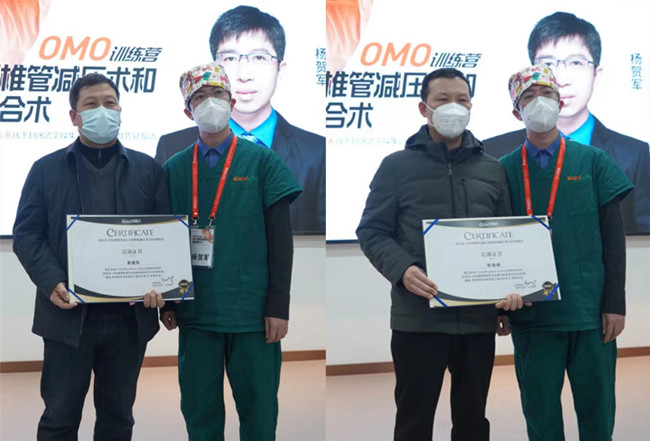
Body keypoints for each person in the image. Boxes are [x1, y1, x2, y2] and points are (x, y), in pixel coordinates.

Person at [356, 67, 525, 441]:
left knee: (473, 420)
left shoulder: (492, 168)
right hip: (418, 320)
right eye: (442, 99)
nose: (453, 107)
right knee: (414, 421)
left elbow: (505, 239)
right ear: (424, 108)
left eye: (462, 99)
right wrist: (402, 269)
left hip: (477, 321)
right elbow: (371, 230)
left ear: (471, 106)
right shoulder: (396, 167)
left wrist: (504, 305)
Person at [12, 72, 170, 440]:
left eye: (110, 103)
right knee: (59, 417)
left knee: (118, 418)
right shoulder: (45, 169)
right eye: (91, 104)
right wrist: (51, 281)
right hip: (68, 316)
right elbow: (27, 234)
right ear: (74, 116)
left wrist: (162, 286)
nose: (103, 110)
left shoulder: (148, 169)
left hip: (129, 319)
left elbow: (163, 236)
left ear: (121, 111)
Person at [160, 62, 302, 441]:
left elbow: (281, 242)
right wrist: (169, 302)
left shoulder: (262, 161)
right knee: (199, 410)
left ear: (232, 101)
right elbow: (164, 239)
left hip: (252, 315)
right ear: (188, 111)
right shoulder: (174, 169)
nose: (211, 102)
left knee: (259, 410)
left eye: (218, 94)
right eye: (200, 97)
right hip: (197, 313)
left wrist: (278, 306)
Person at [499, 64, 633, 441]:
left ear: (560, 104)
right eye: (528, 97)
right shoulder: (503, 170)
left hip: (590, 312)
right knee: (540, 410)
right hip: (532, 314)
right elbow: (495, 244)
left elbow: (614, 240)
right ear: (516, 112)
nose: (539, 102)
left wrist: (615, 302)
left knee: (597, 407)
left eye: (547, 94)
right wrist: (499, 307)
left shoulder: (594, 161)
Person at [155, 5, 324, 235]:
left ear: (280, 69)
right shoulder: (172, 150)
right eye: (230, 58)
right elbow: (160, 227)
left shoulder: (316, 152)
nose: (244, 75)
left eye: (259, 57)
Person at [483, 11, 650, 233]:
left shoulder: (631, 154)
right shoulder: (493, 154)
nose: (562, 79)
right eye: (548, 64)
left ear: (597, 74)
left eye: (576, 62)